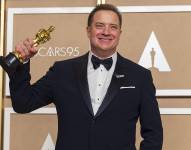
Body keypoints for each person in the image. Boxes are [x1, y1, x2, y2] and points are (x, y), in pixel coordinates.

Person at [9, 4, 163, 150]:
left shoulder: (140, 76)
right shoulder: (62, 71)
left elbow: (153, 134)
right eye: (100, 25)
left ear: (119, 33)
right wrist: (22, 61)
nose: (106, 32)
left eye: (113, 27)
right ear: (88, 31)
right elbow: (23, 103)